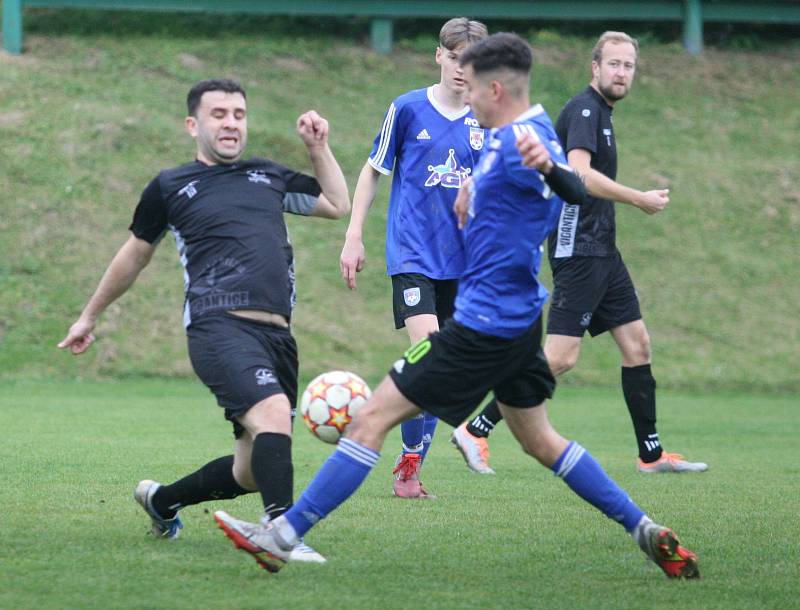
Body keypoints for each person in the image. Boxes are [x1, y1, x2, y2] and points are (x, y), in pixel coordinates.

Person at [213, 34, 700, 580]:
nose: (465, 99)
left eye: (473, 89)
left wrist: (548, 169)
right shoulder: (505, 132)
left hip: (480, 327)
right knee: (542, 441)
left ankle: (282, 535)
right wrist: (474, 195)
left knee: (369, 420)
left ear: (496, 87)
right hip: (518, 325)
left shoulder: (524, 137)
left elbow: (573, 187)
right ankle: (644, 528)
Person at [58, 78, 350, 562]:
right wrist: (89, 316)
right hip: (219, 325)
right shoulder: (170, 186)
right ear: (194, 125)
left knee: (252, 469)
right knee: (274, 415)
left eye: (238, 114)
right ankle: (280, 531)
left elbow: (337, 205)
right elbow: (134, 255)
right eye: (219, 114)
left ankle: (162, 499)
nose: (231, 122)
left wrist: (318, 147)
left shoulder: (269, 176)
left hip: (278, 336)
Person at [453, 32, 708, 475]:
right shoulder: (586, 110)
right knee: (561, 356)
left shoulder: (602, 113)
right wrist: (637, 198)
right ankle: (476, 428)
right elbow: (580, 176)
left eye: (629, 65)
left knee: (637, 344)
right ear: (595, 67)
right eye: (614, 64)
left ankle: (651, 456)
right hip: (579, 246)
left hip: (603, 247)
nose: (622, 72)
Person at [339, 17, 491, 498]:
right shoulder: (406, 109)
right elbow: (372, 171)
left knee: (444, 369)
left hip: (463, 263)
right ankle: (401, 459)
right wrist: (353, 235)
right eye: (454, 57)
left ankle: (409, 465)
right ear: (439, 57)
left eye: (473, 61)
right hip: (412, 256)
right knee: (426, 354)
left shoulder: (487, 122)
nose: (462, 69)